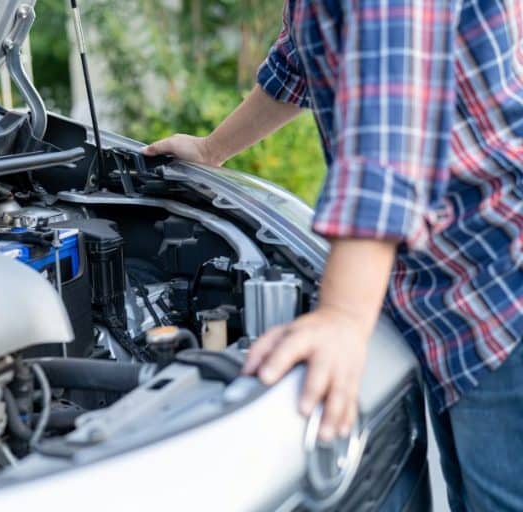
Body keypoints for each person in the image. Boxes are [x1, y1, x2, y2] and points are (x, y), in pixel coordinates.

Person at [143, 1, 523, 510]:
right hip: (447, 301)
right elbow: (297, 66)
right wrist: (213, 150)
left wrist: (343, 317)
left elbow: (386, 138)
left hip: (501, 289)